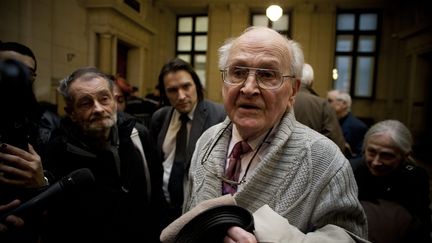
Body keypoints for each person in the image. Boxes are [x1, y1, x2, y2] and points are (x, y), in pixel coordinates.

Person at [182, 26, 368, 242]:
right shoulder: (206, 141)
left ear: (293, 90)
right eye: (238, 72)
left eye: (268, 74)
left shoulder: (324, 160)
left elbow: (351, 236)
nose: (249, 88)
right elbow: (188, 211)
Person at [41, 67, 162, 243]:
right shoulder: (56, 152)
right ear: (71, 113)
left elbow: (156, 198)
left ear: (114, 101)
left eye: (104, 99)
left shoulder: (138, 135)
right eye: (85, 103)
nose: (98, 108)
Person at [149, 57, 226, 230]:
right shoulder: (160, 118)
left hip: (199, 214)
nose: (181, 96)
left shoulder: (220, 116)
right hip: (165, 210)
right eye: (172, 90)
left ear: (196, 85)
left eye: (186, 86)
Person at [350, 119, 432, 243]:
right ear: (364, 149)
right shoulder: (351, 171)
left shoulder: (415, 177)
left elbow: (422, 223)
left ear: (405, 155)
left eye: (387, 155)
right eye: (371, 152)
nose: (376, 162)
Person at [294, 63, 346, 152]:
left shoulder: (279, 99)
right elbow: (336, 143)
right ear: (311, 82)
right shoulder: (322, 105)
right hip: (314, 160)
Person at [327, 89, 368, 159]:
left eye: (330, 101)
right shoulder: (329, 121)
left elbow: (362, 156)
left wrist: (349, 152)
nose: (326, 103)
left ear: (344, 104)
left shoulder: (358, 126)